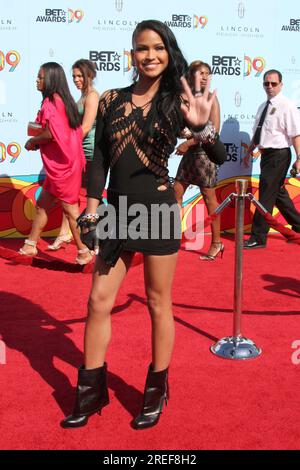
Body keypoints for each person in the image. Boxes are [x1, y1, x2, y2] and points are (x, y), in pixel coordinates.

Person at [60, 20, 225, 430]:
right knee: (98, 301)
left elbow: (219, 155)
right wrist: (92, 210)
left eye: (157, 48)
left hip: (157, 209)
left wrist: (203, 128)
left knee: (157, 302)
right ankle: (90, 392)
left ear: (168, 52)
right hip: (116, 211)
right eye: (141, 48)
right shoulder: (114, 98)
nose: (149, 55)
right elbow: (98, 159)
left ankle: (155, 391)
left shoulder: (176, 101)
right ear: (132, 54)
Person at [19, 62, 92, 265]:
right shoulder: (59, 101)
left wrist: (33, 140)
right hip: (62, 164)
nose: (37, 80)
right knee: (42, 205)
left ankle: (84, 251)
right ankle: (30, 245)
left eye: (40, 76)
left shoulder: (53, 102)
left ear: (50, 79)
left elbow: (51, 133)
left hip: (64, 166)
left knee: (70, 211)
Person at [244, 69, 300, 249]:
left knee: (266, 195)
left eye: (273, 83)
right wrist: (249, 151)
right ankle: (299, 225)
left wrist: (299, 158)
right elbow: (258, 132)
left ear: (281, 85)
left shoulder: (287, 105)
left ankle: (258, 237)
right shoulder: (263, 106)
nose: (269, 87)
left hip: (280, 155)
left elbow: (296, 134)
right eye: (266, 83)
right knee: (278, 194)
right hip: (266, 156)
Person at [47, 59, 100, 251]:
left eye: (80, 76)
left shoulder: (92, 96)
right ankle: (65, 233)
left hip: (90, 154)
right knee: (70, 195)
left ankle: (94, 238)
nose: (77, 80)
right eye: (74, 76)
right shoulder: (81, 97)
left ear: (90, 76)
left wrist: (65, 141)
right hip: (79, 152)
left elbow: (85, 127)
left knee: (89, 197)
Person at [174, 61, 223, 260]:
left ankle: (217, 242)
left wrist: (188, 143)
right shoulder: (185, 99)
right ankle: (173, 239)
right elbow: (181, 128)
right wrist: (183, 132)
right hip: (190, 155)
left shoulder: (211, 99)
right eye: (199, 73)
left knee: (209, 197)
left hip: (205, 155)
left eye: (207, 73)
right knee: (175, 192)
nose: (203, 76)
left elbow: (214, 132)